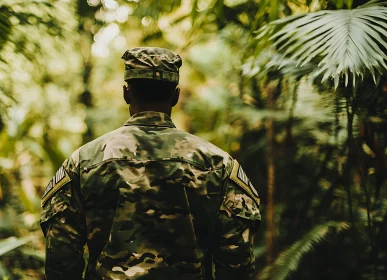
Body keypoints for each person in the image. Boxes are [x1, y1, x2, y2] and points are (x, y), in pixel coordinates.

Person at [40, 47, 261, 280]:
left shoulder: (84, 161)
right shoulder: (217, 163)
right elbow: (237, 261)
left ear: (126, 93)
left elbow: (61, 257)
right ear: (175, 96)